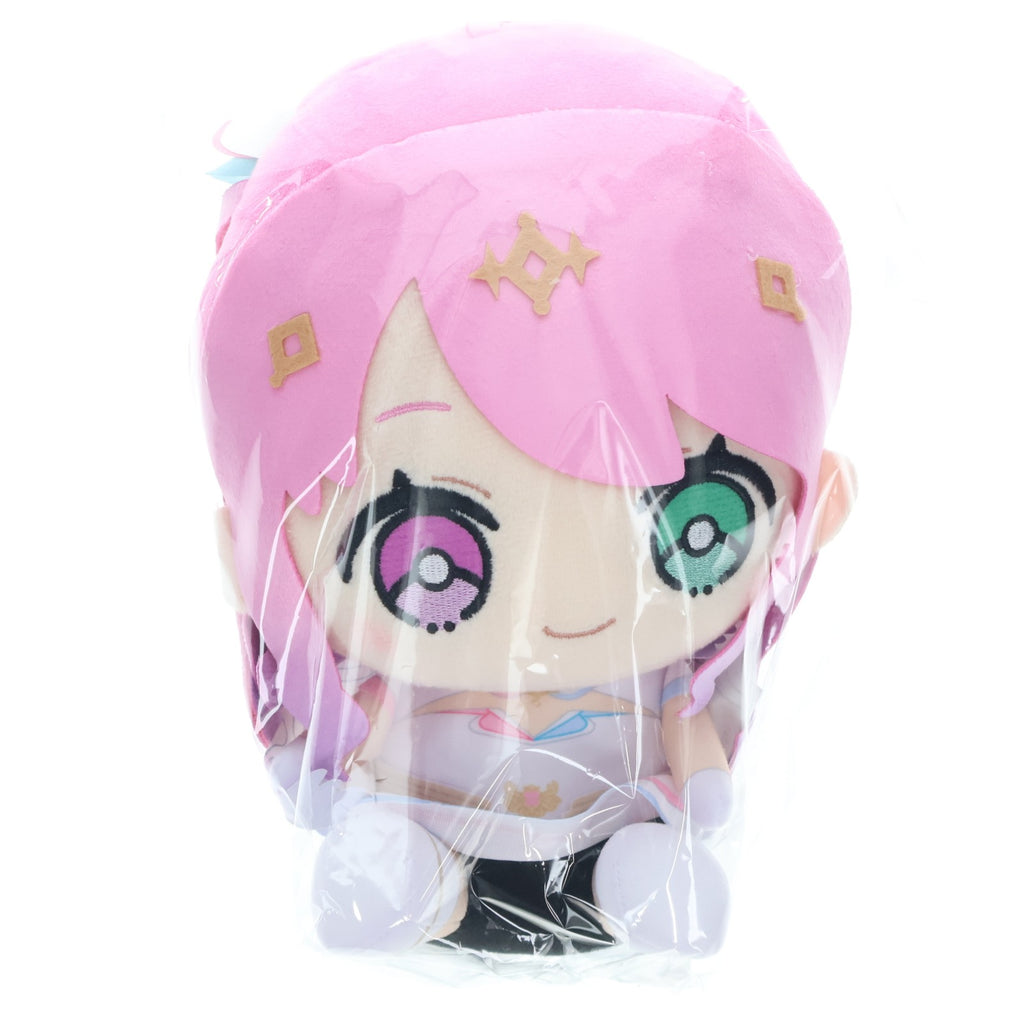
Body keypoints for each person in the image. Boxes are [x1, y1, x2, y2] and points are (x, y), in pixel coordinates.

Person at [199, 24, 853, 959]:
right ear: (252, 553)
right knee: (395, 866)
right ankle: (408, 885)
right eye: (431, 559)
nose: (565, 617)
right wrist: (335, 776)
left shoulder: (674, 680)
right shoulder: (380, 689)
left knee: (643, 873)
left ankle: (639, 886)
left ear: (815, 505)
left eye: (693, 528)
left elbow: (698, 757)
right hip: (432, 828)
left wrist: (704, 787)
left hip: (612, 838)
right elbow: (336, 759)